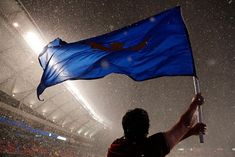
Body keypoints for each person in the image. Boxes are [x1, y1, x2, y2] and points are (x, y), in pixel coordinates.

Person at [107, 94, 207, 157]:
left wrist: (190, 132)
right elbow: (184, 124)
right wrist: (194, 105)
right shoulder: (148, 148)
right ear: (147, 130)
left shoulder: (115, 147)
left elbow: (167, 143)